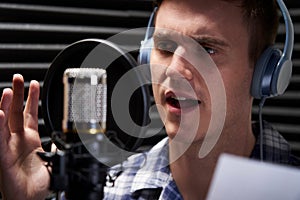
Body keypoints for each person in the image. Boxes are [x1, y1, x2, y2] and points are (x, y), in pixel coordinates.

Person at [0, 0, 299, 200]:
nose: (174, 70)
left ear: (265, 72)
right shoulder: (106, 193)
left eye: (207, 50)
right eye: (166, 46)